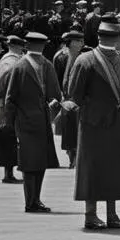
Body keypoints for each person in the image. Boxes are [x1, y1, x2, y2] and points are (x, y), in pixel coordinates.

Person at [61, 20, 120, 230]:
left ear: (98, 37)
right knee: (113, 168)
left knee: (93, 167)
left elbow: (75, 93)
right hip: (118, 121)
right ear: (117, 38)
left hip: (92, 122)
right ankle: (111, 214)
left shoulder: (85, 60)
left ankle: (92, 214)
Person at [4, 32, 62, 213]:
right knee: (31, 162)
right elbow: (11, 98)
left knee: (39, 161)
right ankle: (31, 201)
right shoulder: (27, 66)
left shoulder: (34, 65)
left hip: (35, 120)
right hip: (30, 120)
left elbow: (10, 98)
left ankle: (35, 199)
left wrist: (10, 122)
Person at [0, 34, 26, 183]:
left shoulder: (3, 60)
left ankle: (8, 173)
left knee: (5, 141)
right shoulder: (14, 64)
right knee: (10, 141)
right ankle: (9, 174)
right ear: (19, 47)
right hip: (8, 107)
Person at [53, 31, 84, 167]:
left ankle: (77, 156)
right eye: (78, 41)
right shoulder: (60, 57)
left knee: (78, 130)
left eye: (81, 41)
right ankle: (71, 156)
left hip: (81, 100)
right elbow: (57, 78)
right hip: (66, 99)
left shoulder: (84, 57)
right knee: (68, 131)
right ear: (70, 42)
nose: (81, 43)